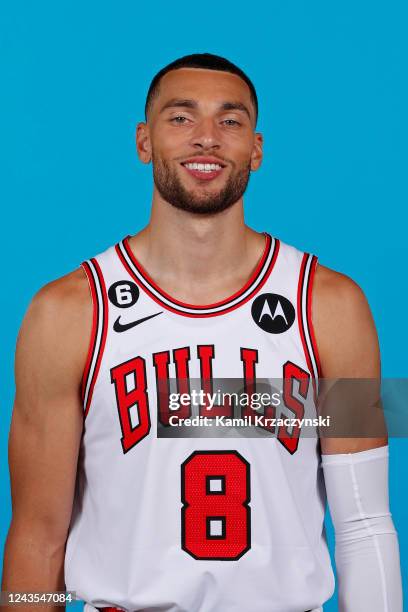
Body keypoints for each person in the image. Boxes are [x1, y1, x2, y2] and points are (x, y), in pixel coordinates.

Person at [1, 53, 402, 612]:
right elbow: (37, 539)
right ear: (144, 141)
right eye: (181, 118)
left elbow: (365, 524)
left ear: (256, 150)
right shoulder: (65, 313)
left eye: (230, 121)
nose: (207, 139)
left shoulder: (333, 305)